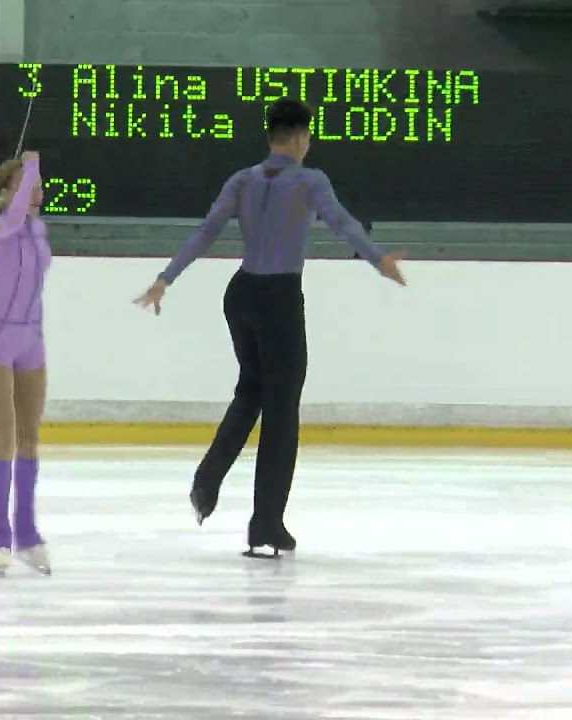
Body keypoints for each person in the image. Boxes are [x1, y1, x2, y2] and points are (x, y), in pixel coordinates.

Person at [134, 98, 407, 557]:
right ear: (300, 138)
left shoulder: (242, 179)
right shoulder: (310, 180)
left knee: (251, 391)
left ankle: (207, 479)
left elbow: (205, 231)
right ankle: (265, 524)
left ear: (270, 136)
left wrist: (166, 278)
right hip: (279, 298)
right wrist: (379, 259)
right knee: (281, 413)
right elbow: (342, 224)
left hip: (240, 294)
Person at [0, 151, 52, 577]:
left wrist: (30, 173)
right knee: (5, 440)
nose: (36, 191)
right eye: (26, 186)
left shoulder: (39, 230)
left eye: (38, 185)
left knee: (30, 439)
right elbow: (16, 215)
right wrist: (30, 164)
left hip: (31, 340)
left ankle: (27, 534)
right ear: (5, 193)